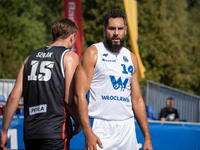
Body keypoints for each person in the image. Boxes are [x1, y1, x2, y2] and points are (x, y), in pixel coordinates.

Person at [74, 9, 153, 150]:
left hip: (127, 128)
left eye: (120, 28)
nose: (116, 33)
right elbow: (79, 95)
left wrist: (147, 137)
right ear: (104, 30)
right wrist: (88, 132)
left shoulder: (131, 58)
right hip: (100, 127)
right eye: (112, 28)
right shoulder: (93, 53)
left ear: (125, 30)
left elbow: (137, 100)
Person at [0, 18, 81, 150]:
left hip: (31, 133)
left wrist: (4, 132)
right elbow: (69, 100)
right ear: (72, 37)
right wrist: (78, 121)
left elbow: (14, 97)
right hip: (55, 131)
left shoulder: (29, 58)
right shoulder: (69, 57)